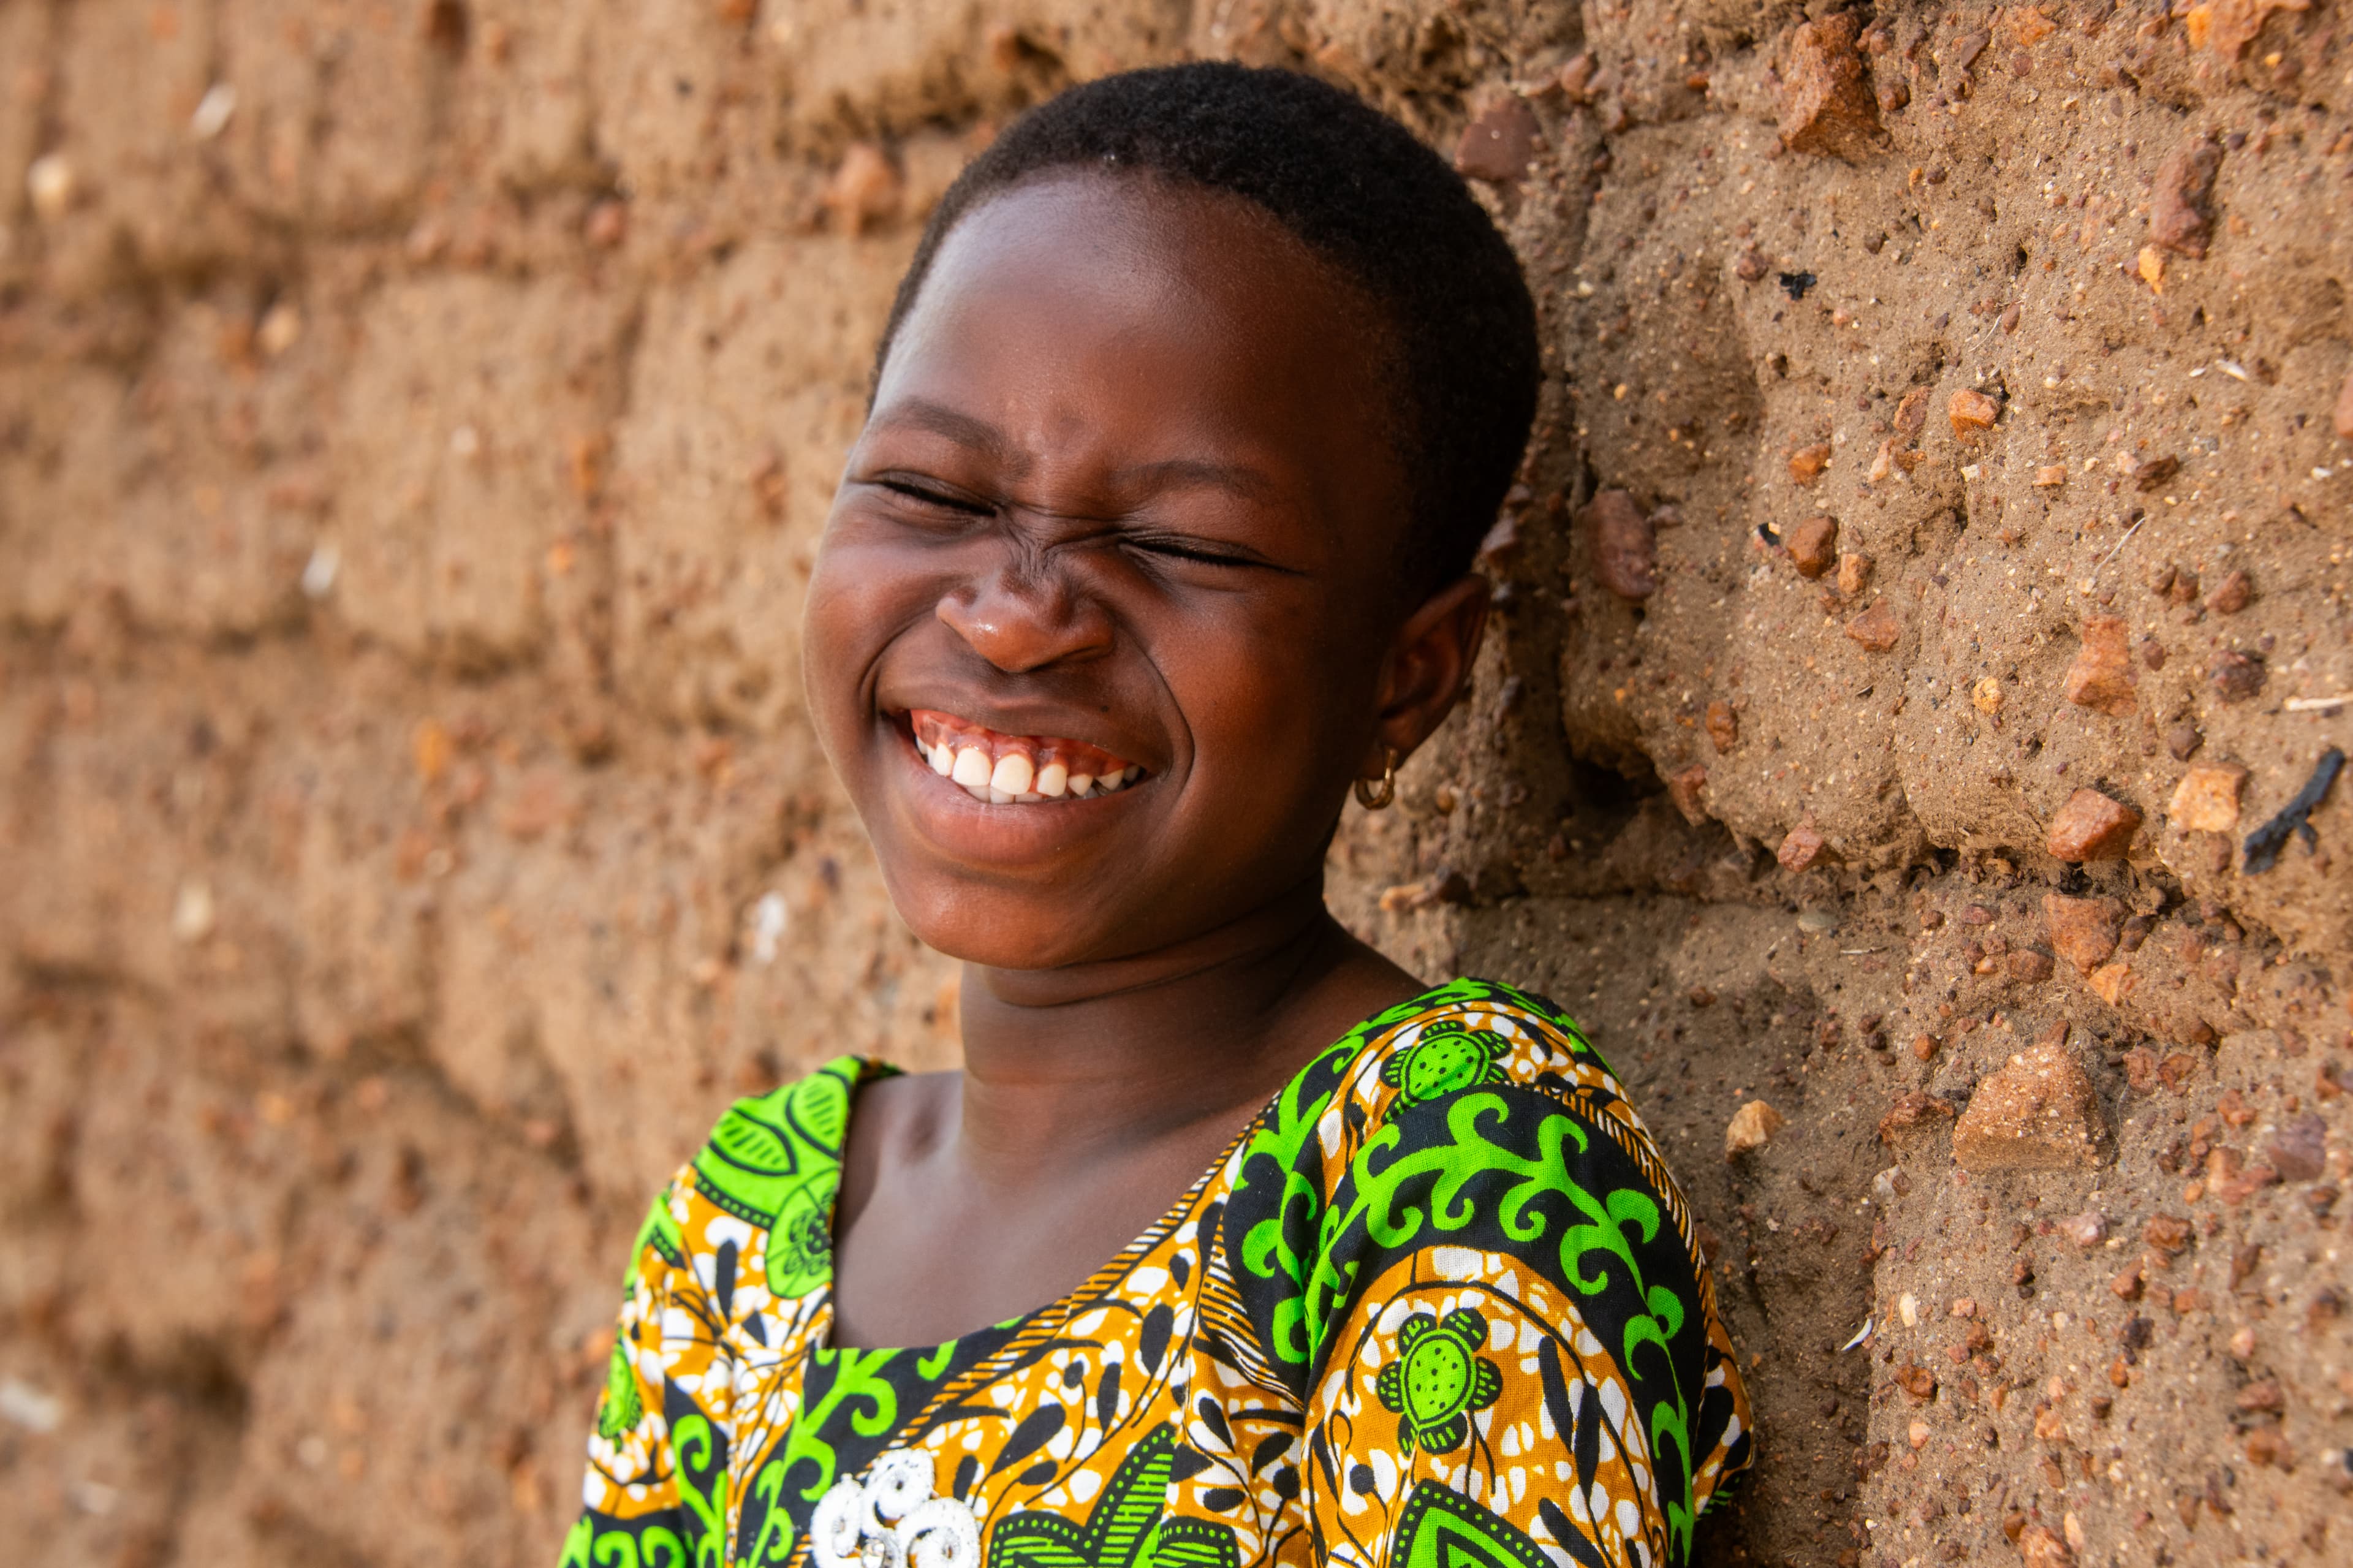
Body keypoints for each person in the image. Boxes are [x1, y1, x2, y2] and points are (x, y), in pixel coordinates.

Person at [564, 61, 1750, 1568]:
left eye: (1182, 541)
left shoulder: (1440, 1174)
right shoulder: (742, 1233)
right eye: (930, 489)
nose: (1011, 617)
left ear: (1408, 676)